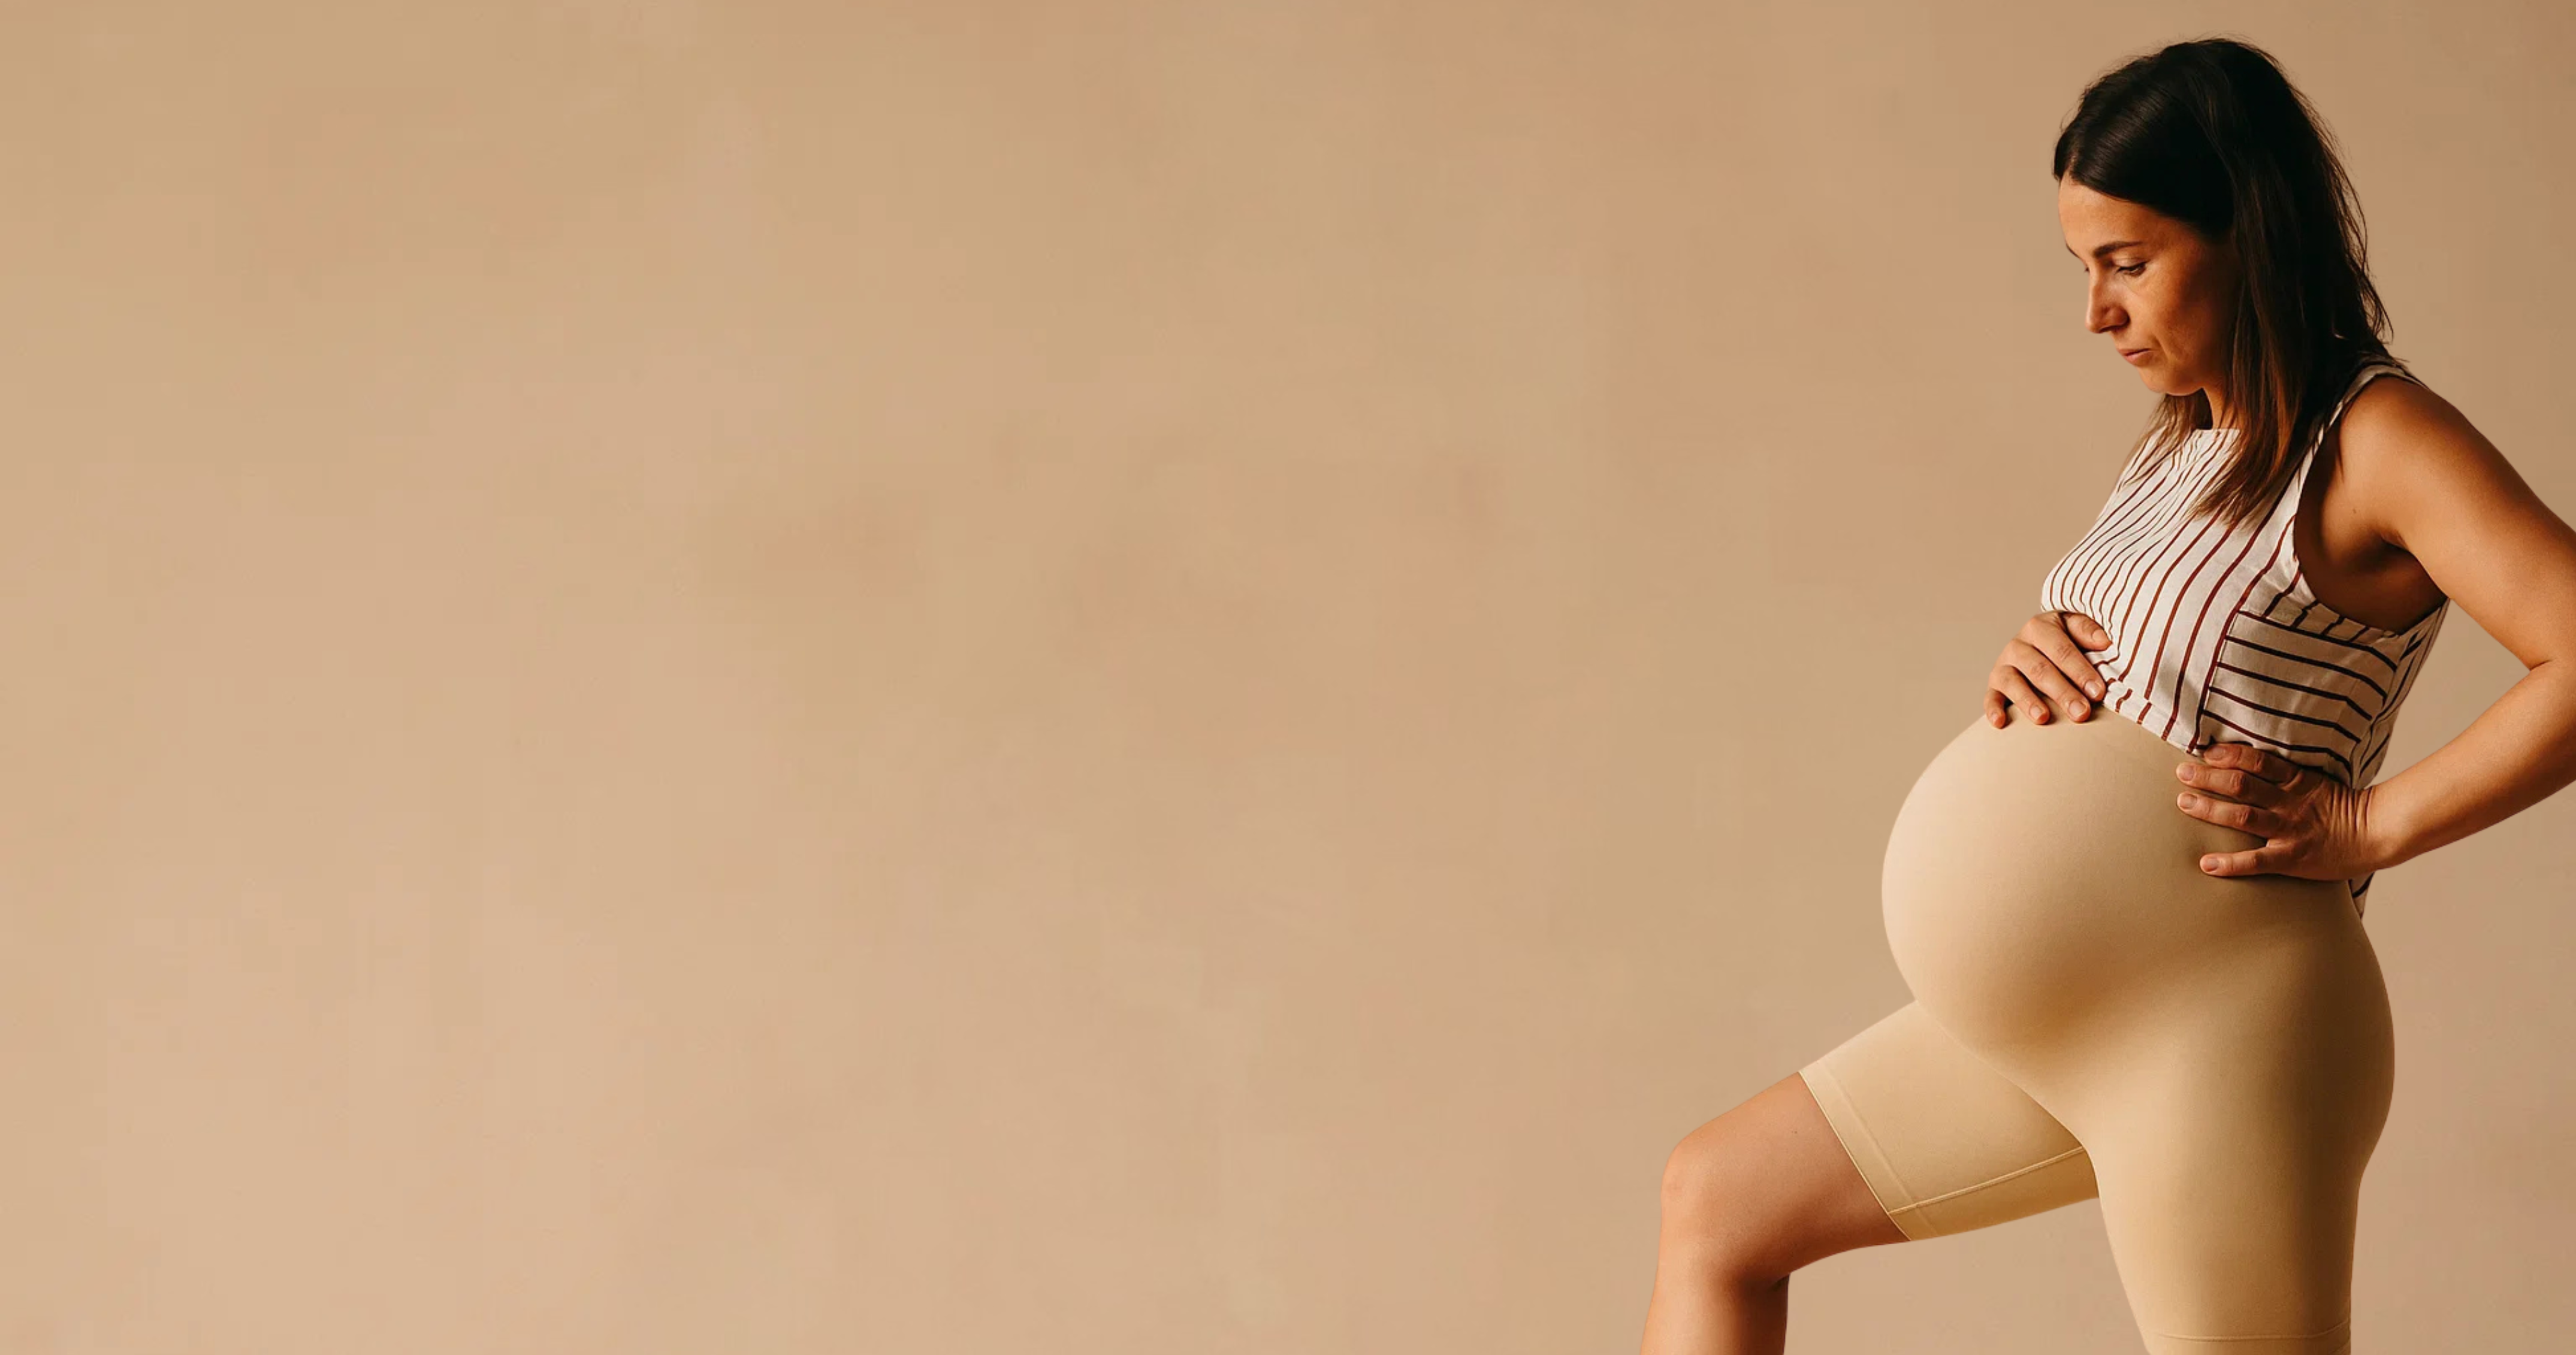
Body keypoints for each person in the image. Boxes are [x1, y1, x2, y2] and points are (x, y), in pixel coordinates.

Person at [1639, 37, 2576, 1355]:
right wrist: (2033, 660)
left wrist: (2370, 826)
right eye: (2082, 267)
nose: (2095, 311)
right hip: (2072, 1014)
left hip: (2221, 1027)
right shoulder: (2183, 442)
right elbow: (2171, 673)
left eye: (2127, 262)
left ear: (2247, 230)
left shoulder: (2375, 438)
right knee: (1717, 1201)